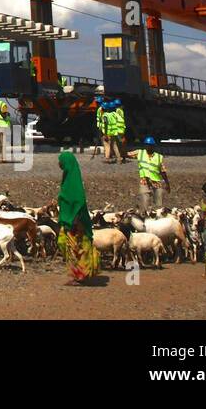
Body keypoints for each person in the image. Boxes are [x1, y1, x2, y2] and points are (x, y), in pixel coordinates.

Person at [57, 151, 99, 284]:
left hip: (75, 222)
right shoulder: (69, 177)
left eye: (60, 161)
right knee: (66, 245)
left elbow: (78, 201)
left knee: (76, 247)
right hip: (70, 220)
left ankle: (80, 275)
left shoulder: (72, 181)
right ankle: (79, 274)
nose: (59, 164)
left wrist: (75, 221)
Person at [133, 136, 170, 212]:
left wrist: (167, 184)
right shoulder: (140, 153)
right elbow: (125, 154)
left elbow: (163, 171)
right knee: (145, 202)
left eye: (150, 145)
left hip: (157, 182)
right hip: (144, 181)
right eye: (146, 145)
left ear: (153, 146)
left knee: (158, 205)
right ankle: (145, 218)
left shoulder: (159, 157)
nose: (148, 147)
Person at [109, 98, 128, 163]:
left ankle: (119, 158)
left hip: (118, 130)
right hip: (122, 129)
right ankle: (123, 157)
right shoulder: (121, 110)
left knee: (117, 144)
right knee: (121, 144)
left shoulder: (117, 111)